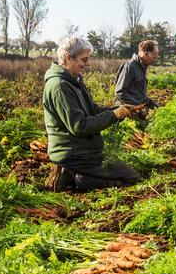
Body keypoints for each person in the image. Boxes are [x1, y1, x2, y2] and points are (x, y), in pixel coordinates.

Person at [43, 37, 142, 192]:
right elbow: (80, 126)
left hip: (84, 150)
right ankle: (78, 180)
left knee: (128, 174)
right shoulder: (60, 86)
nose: (88, 64)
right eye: (84, 59)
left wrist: (121, 110)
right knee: (131, 178)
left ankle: (75, 175)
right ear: (69, 58)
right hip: (74, 154)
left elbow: (93, 111)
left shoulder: (73, 81)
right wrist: (115, 115)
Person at [114, 40, 160, 113]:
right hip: (126, 111)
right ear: (146, 54)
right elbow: (120, 92)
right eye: (154, 57)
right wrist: (140, 106)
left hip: (137, 108)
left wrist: (158, 108)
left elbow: (142, 96)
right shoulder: (130, 66)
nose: (155, 59)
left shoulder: (141, 68)